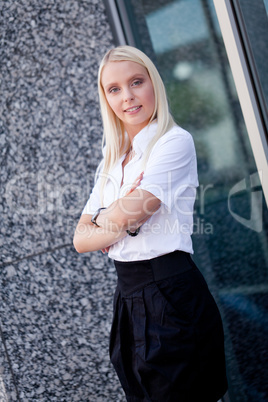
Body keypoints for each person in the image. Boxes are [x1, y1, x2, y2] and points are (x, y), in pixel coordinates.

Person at [73, 45, 228, 402]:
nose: (127, 96)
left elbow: (136, 210)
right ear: (106, 98)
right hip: (127, 296)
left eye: (136, 82)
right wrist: (117, 215)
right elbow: (81, 239)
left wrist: (107, 218)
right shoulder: (112, 161)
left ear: (153, 84)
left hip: (169, 291)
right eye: (114, 89)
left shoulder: (173, 142)